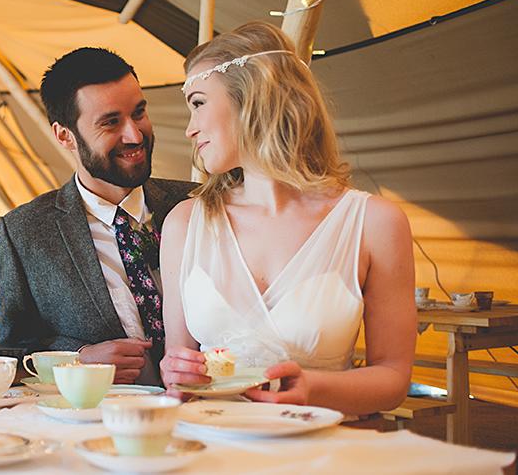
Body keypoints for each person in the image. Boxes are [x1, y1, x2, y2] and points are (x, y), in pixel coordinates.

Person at [159, 22, 415, 415]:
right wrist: (176, 371)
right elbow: (177, 364)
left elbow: (394, 378)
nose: (190, 129)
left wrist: (313, 387)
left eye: (197, 103)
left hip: (320, 455)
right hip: (209, 448)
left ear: (251, 97)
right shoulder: (185, 224)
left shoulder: (373, 223)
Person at [0, 47, 194, 386]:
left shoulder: (196, 202)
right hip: (97, 426)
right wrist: (76, 361)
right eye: (111, 122)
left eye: (139, 113)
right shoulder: (24, 233)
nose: (134, 135)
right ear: (64, 136)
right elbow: (10, 356)